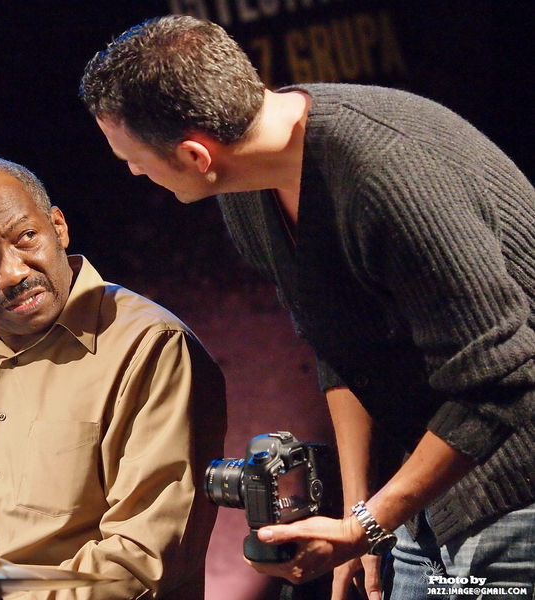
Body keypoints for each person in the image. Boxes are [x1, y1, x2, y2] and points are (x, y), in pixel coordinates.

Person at [79, 14, 535, 600]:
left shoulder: (385, 177)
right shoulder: (248, 189)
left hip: (516, 487)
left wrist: (364, 526)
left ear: (196, 155)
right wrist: (360, 510)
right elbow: (342, 348)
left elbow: (500, 382)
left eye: (130, 158)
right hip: (435, 488)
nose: (134, 171)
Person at [0, 156, 227, 600]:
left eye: (26, 238)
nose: (13, 273)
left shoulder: (151, 348)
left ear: (58, 227)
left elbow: (144, 553)